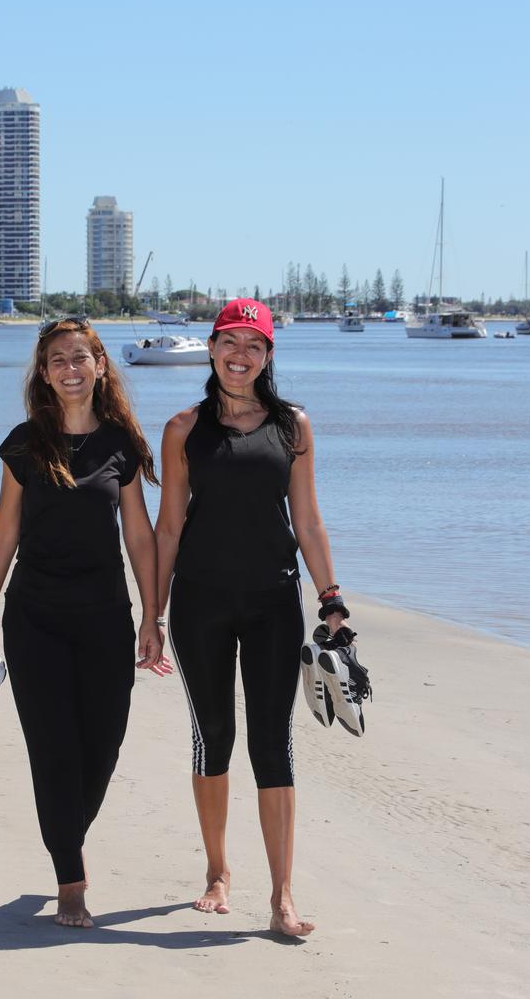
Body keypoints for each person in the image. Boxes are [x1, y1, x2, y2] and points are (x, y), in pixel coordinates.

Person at [0, 318, 171, 929]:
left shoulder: (121, 445)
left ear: (101, 366)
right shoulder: (27, 443)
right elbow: (5, 530)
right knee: (53, 751)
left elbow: (139, 533)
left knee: (101, 749)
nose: (70, 367)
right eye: (57, 359)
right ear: (44, 372)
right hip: (36, 620)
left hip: (107, 618)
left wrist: (152, 614)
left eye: (81, 357)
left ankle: (62, 835)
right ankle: (71, 881)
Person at [155, 298, 349, 937]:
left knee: (274, 744)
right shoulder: (184, 428)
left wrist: (332, 598)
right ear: (211, 349)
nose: (241, 355)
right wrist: (150, 614)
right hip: (200, 604)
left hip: (272, 602)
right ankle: (217, 871)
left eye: (254, 345)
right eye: (230, 342)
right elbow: (170, 526)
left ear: (268, 356)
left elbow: (309, 519)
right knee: (213, 735)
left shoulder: (293, 425)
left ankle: (282, 896)